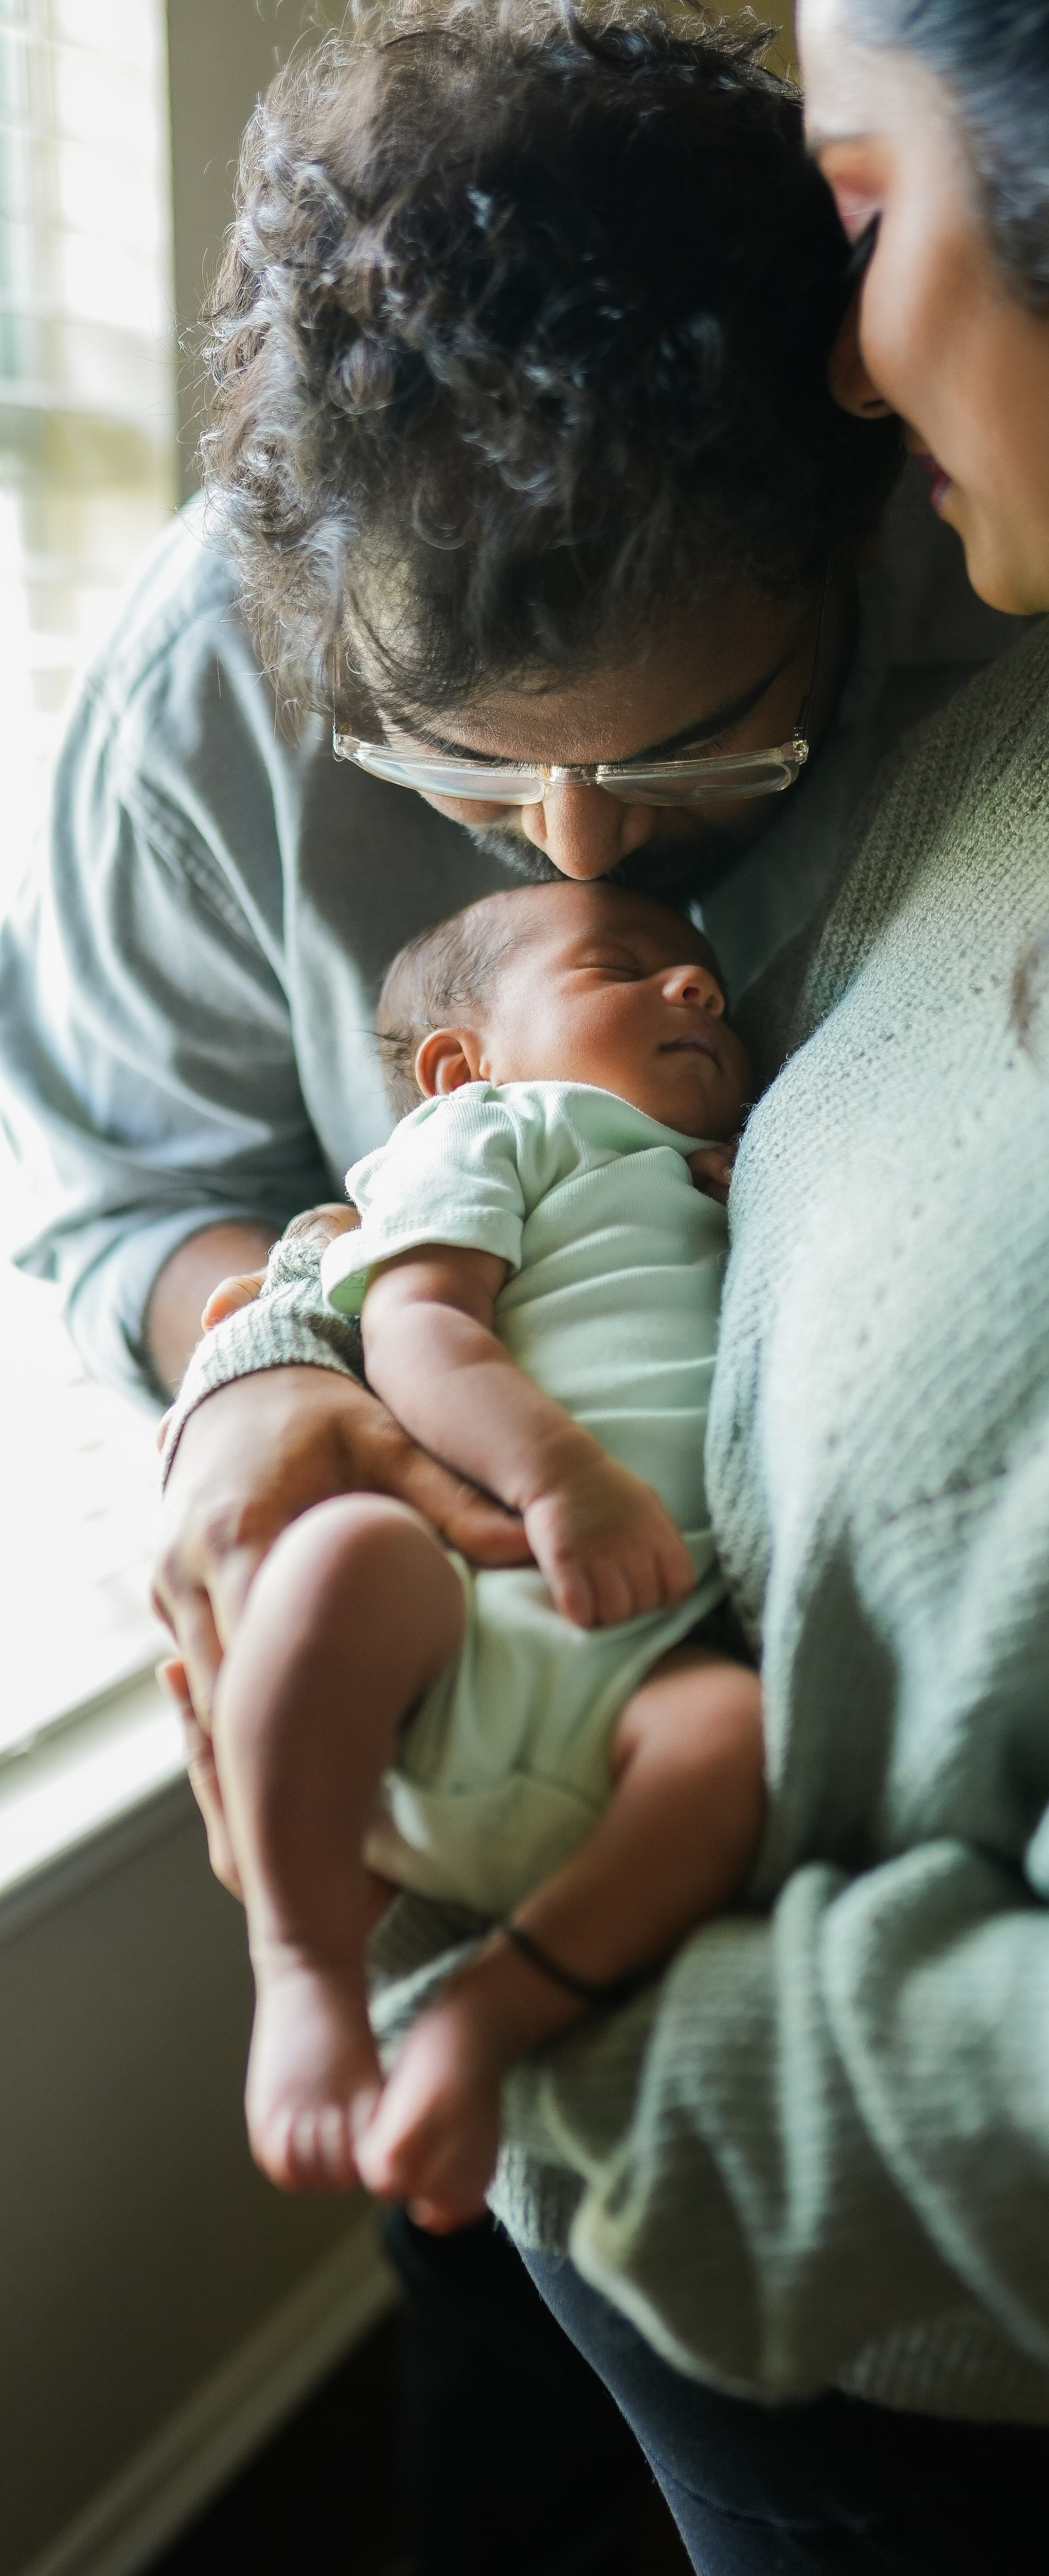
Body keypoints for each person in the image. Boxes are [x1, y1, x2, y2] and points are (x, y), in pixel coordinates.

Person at [166, 0, 1049, 2566]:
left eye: (863, 212)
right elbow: (582, 1162)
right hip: (707, 2352)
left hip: (1041, 2458)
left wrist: (481, 2009)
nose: (846, 358)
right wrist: (274, 1374)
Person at [0, 11, 1019, 2565]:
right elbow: (119, 1183)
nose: (583, 852)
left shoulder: (1019, 587)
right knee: (494, 2393)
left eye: (704, 749)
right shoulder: (183, 701)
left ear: (853, 502)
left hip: (906, 1845)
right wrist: (263, 1359)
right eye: (465, 782)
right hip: (487, 1738)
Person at [211, 879, 763, 2229]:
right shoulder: (496, 1128)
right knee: (342, 1558)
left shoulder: (715, 1172)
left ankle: (484, 2015)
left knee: (736, 1741)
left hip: (640, 1675)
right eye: (619, 967)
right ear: (466, 1061)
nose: (692, 989)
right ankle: (303, 1969)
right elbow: (419, 1334)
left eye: (707, 983)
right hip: (464, 1600)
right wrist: (556, 1471)